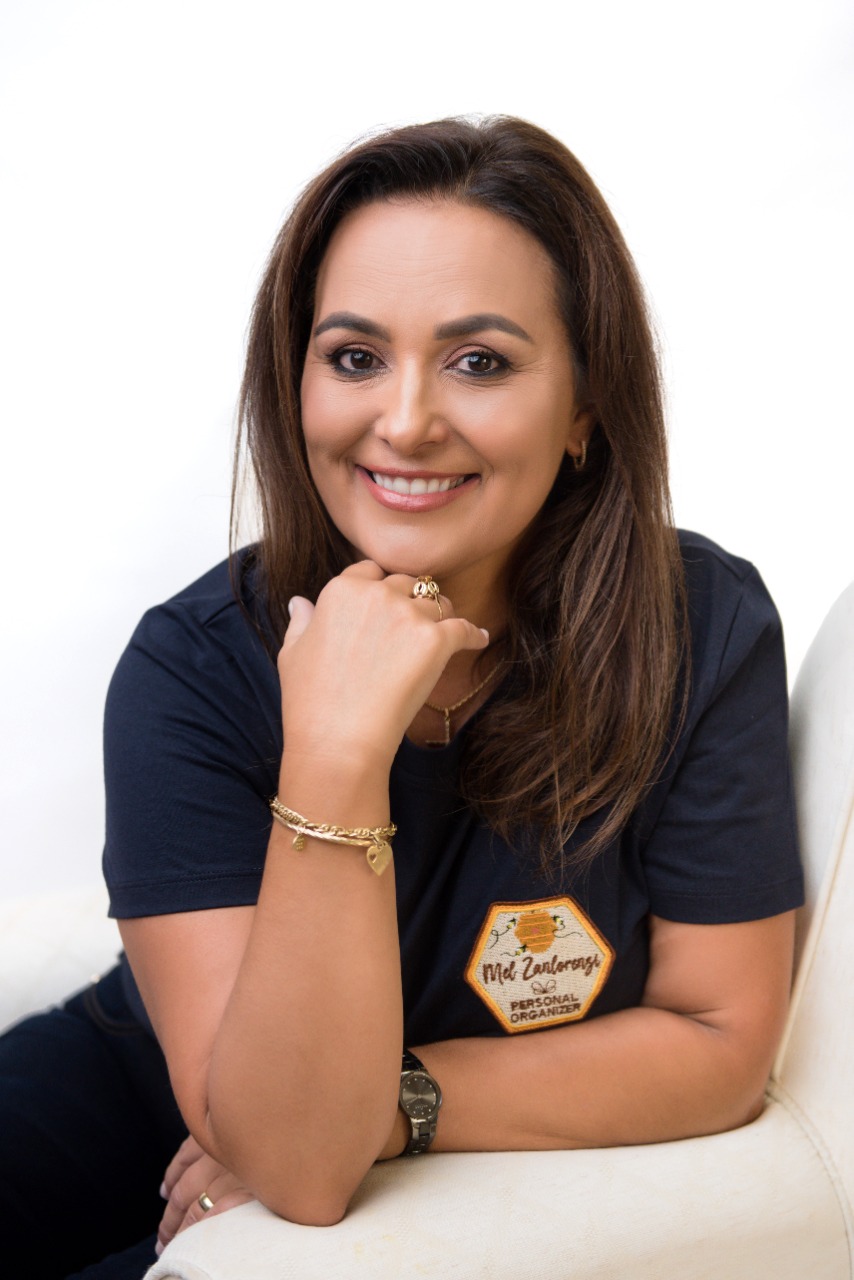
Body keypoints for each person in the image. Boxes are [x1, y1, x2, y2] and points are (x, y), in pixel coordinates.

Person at [2, 116, 803, 1277]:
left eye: (479, 361)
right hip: (139, 1082)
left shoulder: (697, 631)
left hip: (344, 1156)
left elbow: (717, 1042)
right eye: (353, 357)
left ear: (585, 406)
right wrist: (333, 740)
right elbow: (260, 1112)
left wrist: (391, 1102)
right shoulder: (190, 666)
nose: (406, 420)